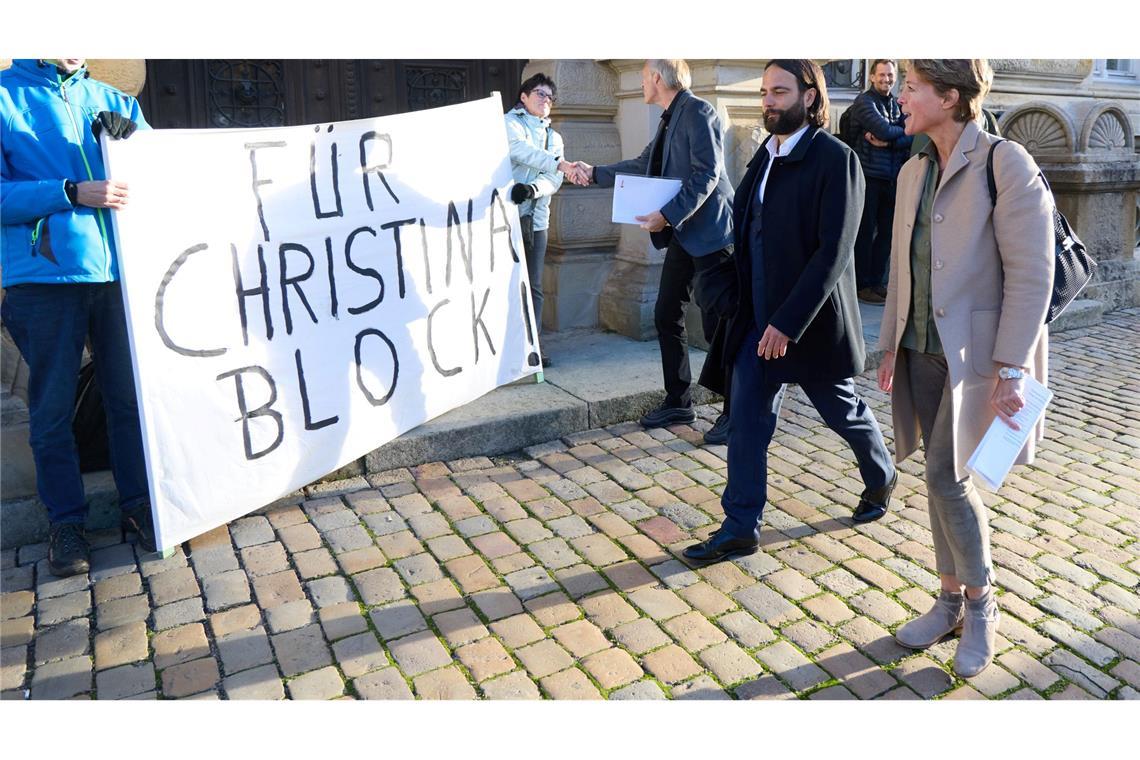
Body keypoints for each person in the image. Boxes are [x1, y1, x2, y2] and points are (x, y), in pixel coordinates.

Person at [682, 59, 897, 565]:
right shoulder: (766, 153)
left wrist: (787, 322)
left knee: (840, 411)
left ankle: (881, 474)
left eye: (779, 91)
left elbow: (834, 251)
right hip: (758, 322)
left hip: (809, 324)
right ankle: (740, 525)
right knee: (747, 419)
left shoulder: (836, 159)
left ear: (810, 96)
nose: (769, 101)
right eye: (764, 92)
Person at [877, 60, 1053, 677]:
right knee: (935, 476)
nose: (900, 96)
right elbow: (903, 266)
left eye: (913, 87)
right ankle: (949, 598)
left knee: (949, 477)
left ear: (949, 97)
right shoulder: (912, 170)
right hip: (921, 346)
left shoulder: (1005, 163)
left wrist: (1011, 367)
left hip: (980, 355)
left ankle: (981, 604)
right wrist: (889, 343)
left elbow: (1033, 272)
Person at [1, 59, 156, 577]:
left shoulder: (115, 99)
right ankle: (67, 524)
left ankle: (140, 505)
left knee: (130, 400)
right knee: (51, 410)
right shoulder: (5, 97)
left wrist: (137, 149)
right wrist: (68, 191)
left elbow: (163, 176)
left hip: (120, 276)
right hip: (43, 282)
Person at [571, 60, 735, 445]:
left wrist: (666, 215)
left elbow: (707, 174)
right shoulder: (668, 117)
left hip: (711, 235)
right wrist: (594, 172)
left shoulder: (698, 111)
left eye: (644, 76)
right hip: (683, 232)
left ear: (658, 78)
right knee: (666, 314)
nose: (643, 82)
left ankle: (735, 411)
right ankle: (679, 400)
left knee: (719, 328)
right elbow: (645, 165)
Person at [505, 73, 586, 368]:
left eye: (550, 96)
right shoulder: (508, 124)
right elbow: (519, 151)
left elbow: (554, 178)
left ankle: (532, 347)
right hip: (503, 217)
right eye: (540, 93)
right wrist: (560, 164)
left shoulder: (556, 138)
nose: (546, 100)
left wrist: (532, 190)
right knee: (505, 283)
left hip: (536, 220)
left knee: (534, 285)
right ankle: (501, 350)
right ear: (524, 97)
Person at [849, 59, 912, 303]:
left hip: (892, 177)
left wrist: (890, 140)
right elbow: (888, 130)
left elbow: (912, 131)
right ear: (872, 77)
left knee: (887, 233)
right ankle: (862, 284)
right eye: (882, 75)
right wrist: (895, 134)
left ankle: (877, 283)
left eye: (890, 75)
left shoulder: (897, 103)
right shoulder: (864, 102)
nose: (887, 79)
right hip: (868, 177)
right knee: (865, 233)